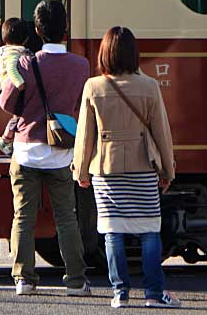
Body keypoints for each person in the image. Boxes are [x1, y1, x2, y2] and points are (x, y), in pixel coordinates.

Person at [73, 26, 179, 309]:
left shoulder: (93, 87)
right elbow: (162, 134)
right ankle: (154, 294)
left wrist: (81, 172)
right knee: (149, 230)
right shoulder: (150, 87)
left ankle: (120, 292)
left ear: (104, 54)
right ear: (134, 54)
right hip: (142, 168)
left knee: (112, 231)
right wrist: (168, 171)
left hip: (106, 171)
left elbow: (85, 136)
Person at [0, 0, 91, 297]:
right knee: (66, 217)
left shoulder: (27, 63)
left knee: (23, 216)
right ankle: (76, 281)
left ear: (37, 30)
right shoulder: (81, 65)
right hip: (61, 152)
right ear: (65, 29)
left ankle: (24, 279)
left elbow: (6, 103)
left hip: (26, 151)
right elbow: (79, 106)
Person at [0, 17, 33, 156]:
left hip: (7, 86)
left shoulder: (6, 51)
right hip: (12, 88)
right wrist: (20, 84)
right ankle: (5, 140)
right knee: (18, 115)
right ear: (25, 39)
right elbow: (11, 69)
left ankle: (6, 139)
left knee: (17, 116)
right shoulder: (15, 53)